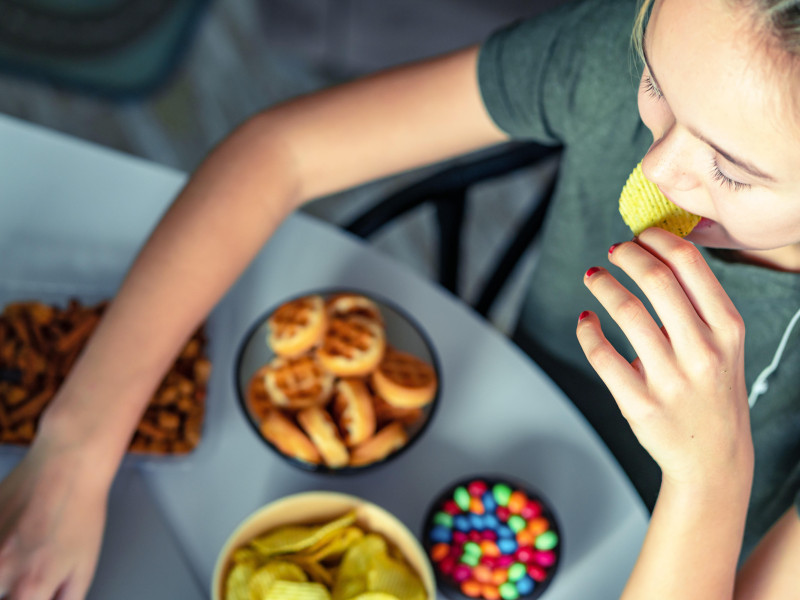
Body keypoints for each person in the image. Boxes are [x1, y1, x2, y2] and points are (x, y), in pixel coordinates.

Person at [1, 0, 799, 597]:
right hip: (496, 432)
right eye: (654, 84)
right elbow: (282, 152)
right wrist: (73, 448)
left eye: (732, 170)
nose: (654, 175)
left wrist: (710, 474)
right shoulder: (675, 42)